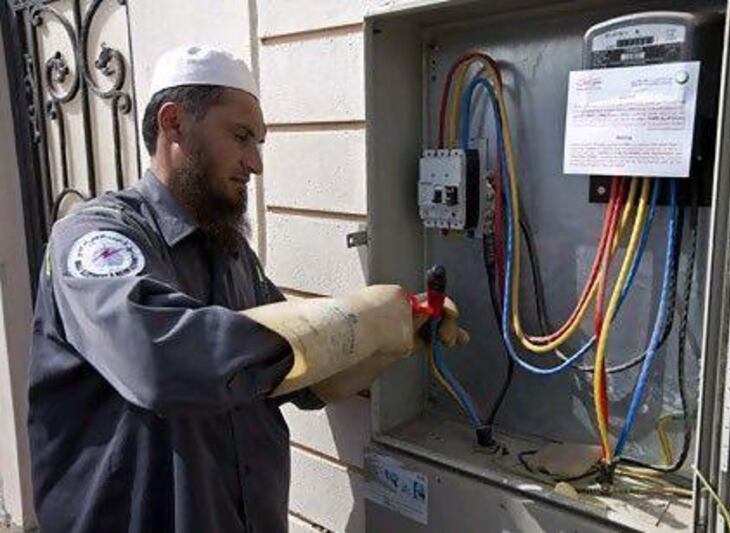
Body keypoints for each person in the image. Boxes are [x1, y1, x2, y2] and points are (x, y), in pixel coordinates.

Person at [27, 45, 467, 533]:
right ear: (173, 125)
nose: (255, 164)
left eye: (258, 142)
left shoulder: (232, 254)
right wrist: (357, 316)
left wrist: (395, 333)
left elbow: (296, 372)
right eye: (240, 137)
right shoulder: (97, 239)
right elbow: (160, 363)